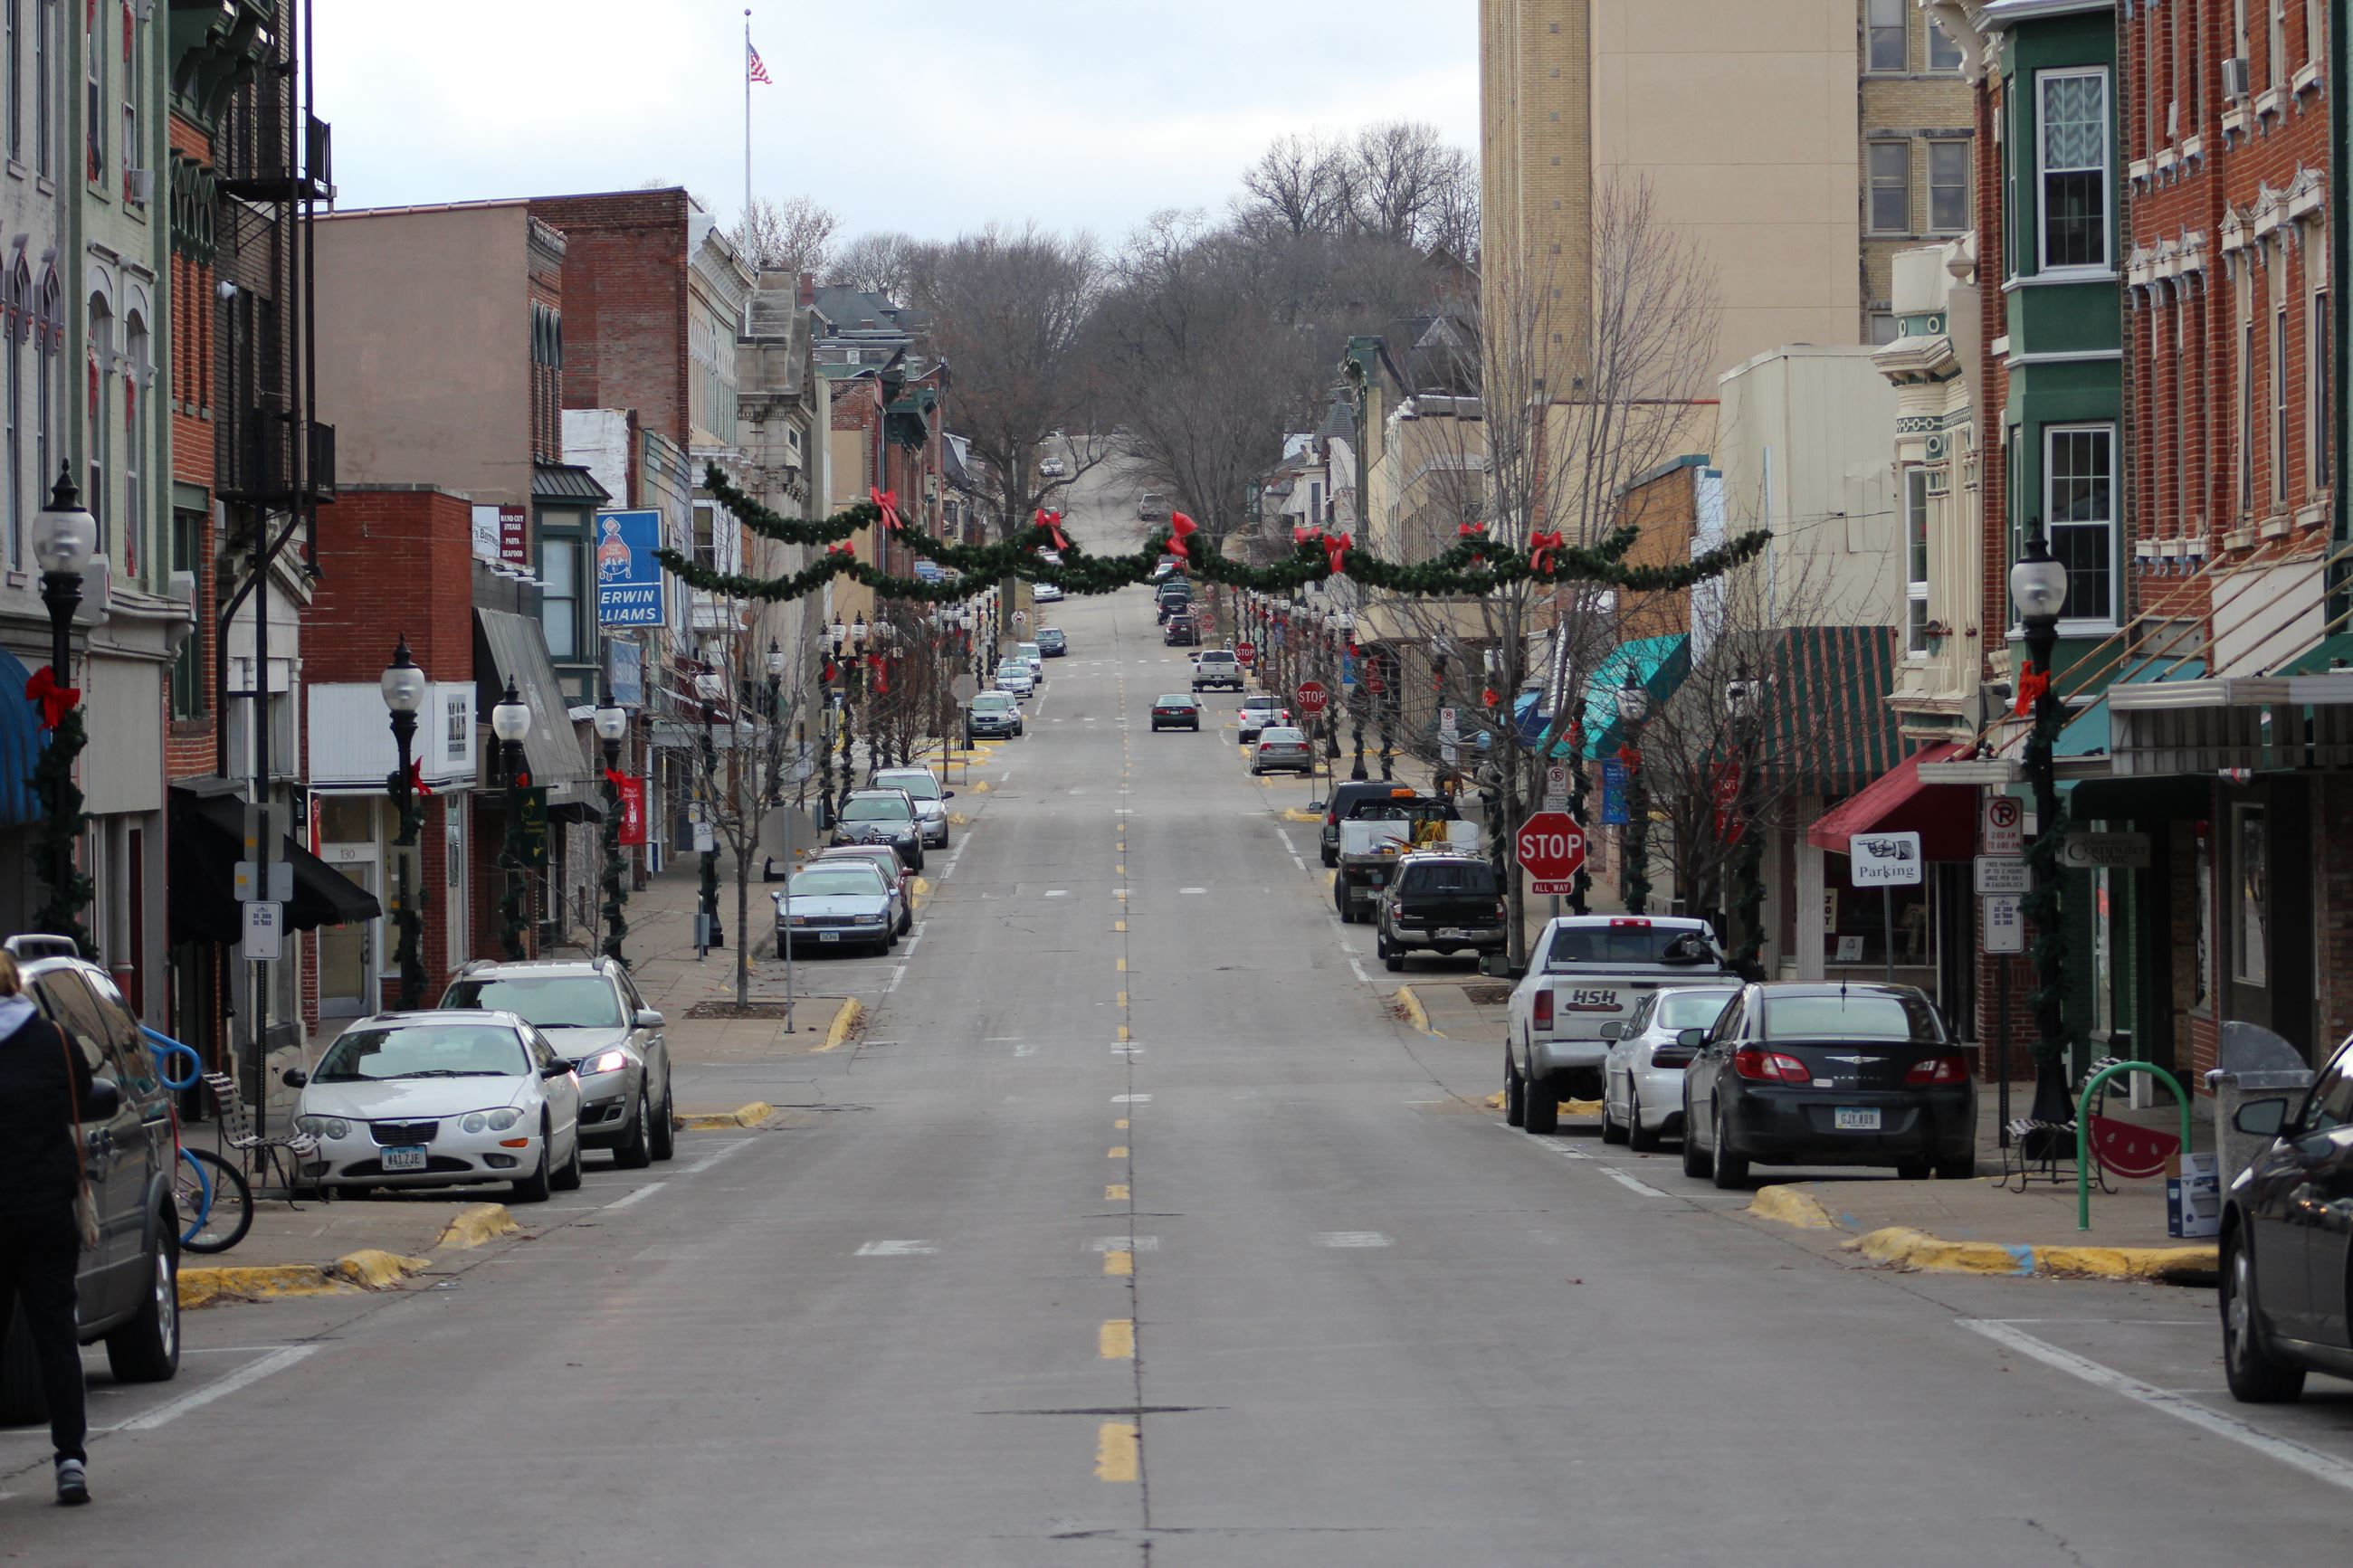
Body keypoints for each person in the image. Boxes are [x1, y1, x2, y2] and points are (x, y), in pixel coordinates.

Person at [0, 950, 97, 1505]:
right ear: (16, 985)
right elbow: (84, 1101)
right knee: (56, 1338)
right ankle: (69, 1461)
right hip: (46, 1213)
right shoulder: (56, 1042)